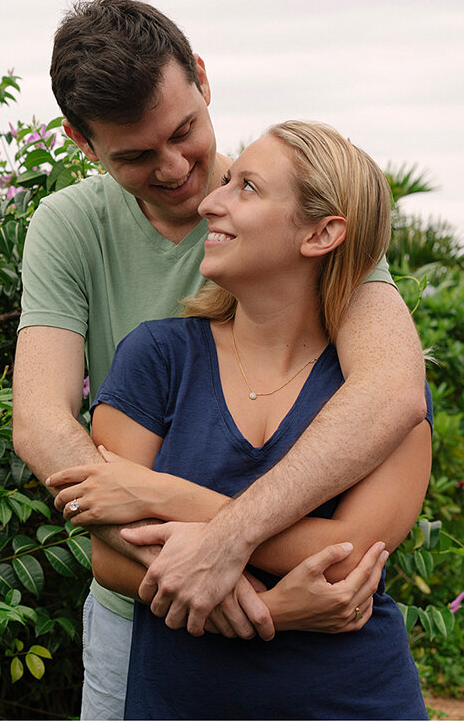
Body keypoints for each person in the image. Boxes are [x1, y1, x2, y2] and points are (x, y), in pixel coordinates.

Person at [9, 0, 425, 719]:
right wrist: (251, 599)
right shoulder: (73, 232)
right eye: (135, 157)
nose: (179, 175)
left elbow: (391, 391)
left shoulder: (308, 206)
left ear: (201, 79)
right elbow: (42, 425)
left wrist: (215, 534)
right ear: (84, 143)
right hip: (143, 617)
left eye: (184, 133)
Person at [82, 121, 430, 718]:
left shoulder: (377, 392)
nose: (211, 202)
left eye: (245, 187)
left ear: (322, 233)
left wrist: (161, 492)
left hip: (354, 699)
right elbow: (111, 557)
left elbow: (344, 562)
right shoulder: (156, 358)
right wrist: (276, 612)